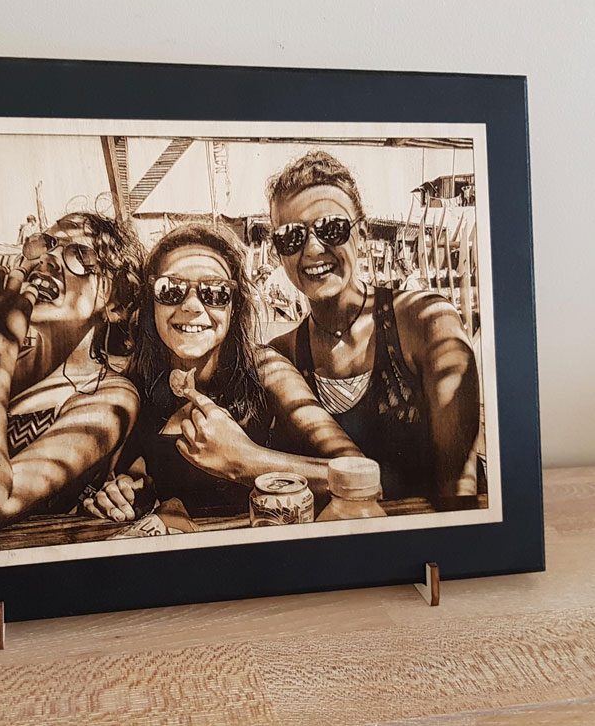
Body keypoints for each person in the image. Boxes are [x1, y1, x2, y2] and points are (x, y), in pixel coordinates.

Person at [83, 223, 361, 522]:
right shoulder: (139, 380)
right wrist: (124, 492)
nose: (191, 306)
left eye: (215, 292)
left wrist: (246, 460)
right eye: (170, 289)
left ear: (234, 307)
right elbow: (136, 474)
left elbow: (362, 475)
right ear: (152, 304)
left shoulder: (266, 369)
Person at [265, 151, 480, 503]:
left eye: (331, 229)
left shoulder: (424, 323)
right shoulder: (283, 355)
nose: (313, 249)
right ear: (278, 252)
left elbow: (459, 489)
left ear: (361, 234)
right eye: (291, 236)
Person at [0, 212, 145, 536]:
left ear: (116, 304)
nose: (48, 259)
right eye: (47, 244)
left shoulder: (109, 396)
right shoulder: (15, 369)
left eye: (79, 254)